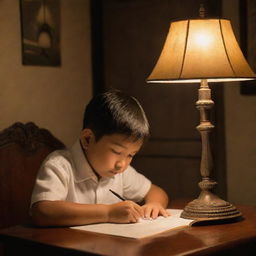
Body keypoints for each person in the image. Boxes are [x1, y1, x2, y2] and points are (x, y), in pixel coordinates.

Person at [30, 90, 169, 226]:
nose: (122, 164)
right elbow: (43, 211)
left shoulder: (120, 173)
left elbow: (157, 192)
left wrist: (154, 204)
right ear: (87, 139)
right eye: (116, 151)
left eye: (131, 155)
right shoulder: (59, 166)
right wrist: (108, 213)